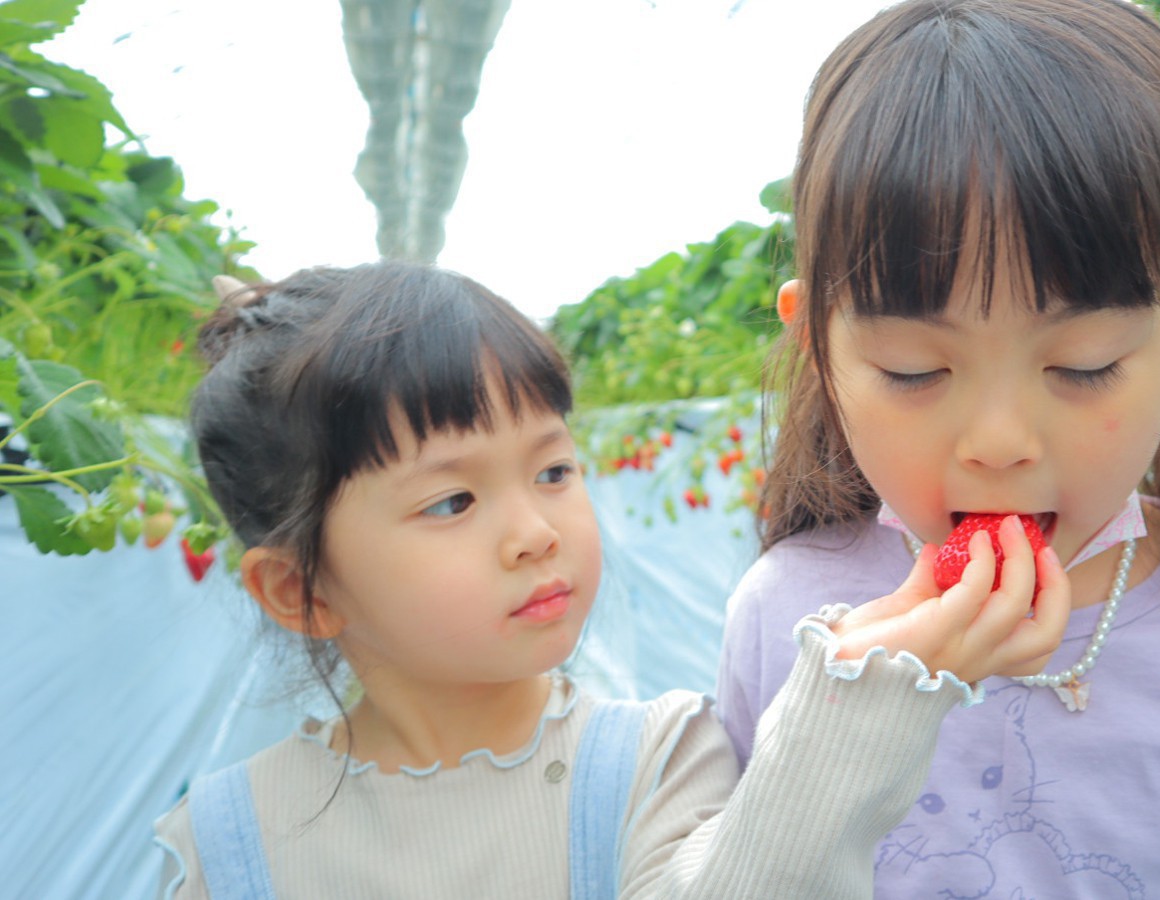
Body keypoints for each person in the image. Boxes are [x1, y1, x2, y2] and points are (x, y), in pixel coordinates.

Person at [715, 1, 1160, 897]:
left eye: (1084, 365)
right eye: (915, 370)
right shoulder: (790, 619)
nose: (999, 444)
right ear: (820, 349)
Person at [151, 261, 1075, 898]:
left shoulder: (653, 761)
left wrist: (872, 687)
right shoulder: (227, 841)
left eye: (552, 471)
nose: (534, 533)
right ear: (300, 592)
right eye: (452, 503)